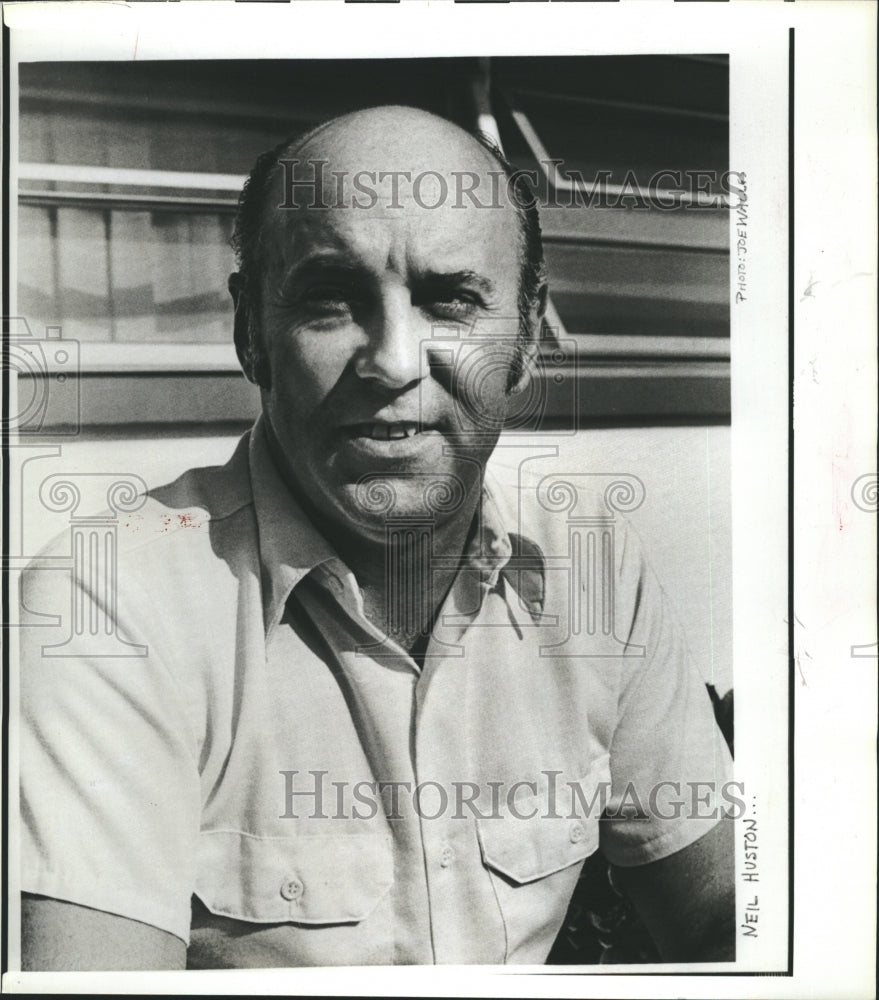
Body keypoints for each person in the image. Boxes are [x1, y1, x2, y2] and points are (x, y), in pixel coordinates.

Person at [20, 105, 734, 969]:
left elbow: (721, 915)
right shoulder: (111, 598)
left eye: (450, 300)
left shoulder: (591, 567)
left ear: (525, 337)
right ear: (251, 331)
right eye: (330, 301)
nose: (393, 363)